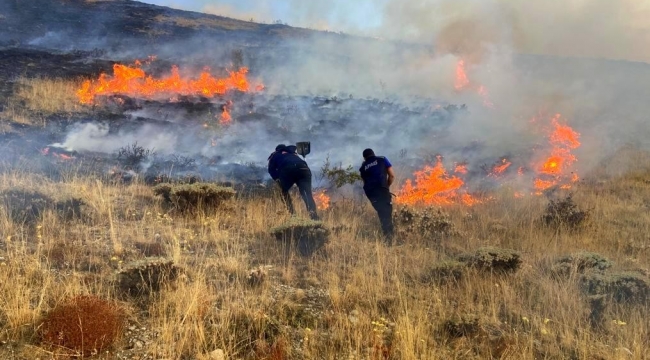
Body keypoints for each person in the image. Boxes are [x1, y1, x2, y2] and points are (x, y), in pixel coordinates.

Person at [270, 144, 319, 220]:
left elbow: (271, 170)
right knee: (307, 194)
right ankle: (314, 217)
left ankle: (293, 215)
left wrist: (277, 179)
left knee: (283, 192)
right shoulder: (293, 153)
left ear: (277, 150)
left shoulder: (275, 154)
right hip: (304, 169)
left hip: (288, 170)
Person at [359, 148, 395, 243]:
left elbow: (365, 182)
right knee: (387, 214)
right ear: (374, 154)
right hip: (382, 190)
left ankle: (387, 237)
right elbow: (391, 175)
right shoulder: (382, 159)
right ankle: (390, 240)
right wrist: (387, 186)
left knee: (382, 213)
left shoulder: (363, 167)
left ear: (364, 158)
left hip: (371, 194)